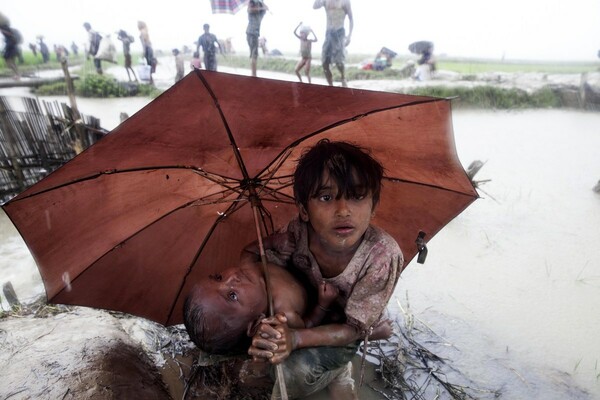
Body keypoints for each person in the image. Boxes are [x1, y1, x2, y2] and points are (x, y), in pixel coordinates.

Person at [244, 139, 403, 399]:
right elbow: (254, 258)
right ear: (304, 210)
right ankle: (331, 369)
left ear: (373, 206)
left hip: (344, 327)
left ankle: (339, 370)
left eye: (357, 196)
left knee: (292, 373)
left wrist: (294, 339)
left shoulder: (381, 257)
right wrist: (270, 324)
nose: (343, 211)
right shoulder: (297, 233)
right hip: (306, 313)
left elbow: (352, 329)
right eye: (326, 197)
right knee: (251, 344)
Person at [183, 261, 343, 356]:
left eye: (219, 277)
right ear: (256, 323)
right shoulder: (286, 313)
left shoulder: (250, 271)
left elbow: (248, 252)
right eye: (232, 295)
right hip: (320, 294)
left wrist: (275, 242)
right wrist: (323, 305)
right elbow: (308, 326)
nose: (232, 277)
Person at [313, 0, 353, 87]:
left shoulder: (345, 2)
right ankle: (331, 86)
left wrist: (349, 36)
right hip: (328, 33)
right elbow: (315, 6)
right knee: (324, 62)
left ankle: (343, 77)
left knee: (339, 61)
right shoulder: (326, 1)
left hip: (340, 33)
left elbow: (351, 19)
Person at [246, 0, 268, 77]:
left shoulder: (260, 13)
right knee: (254, 54)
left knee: (253, 54)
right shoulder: (251, 11)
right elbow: (250, 8)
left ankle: (253, 74)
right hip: (251, 33)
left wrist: (261, 4)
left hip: (253, 33)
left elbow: (265, 8)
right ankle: (253, 75)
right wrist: (261, 6)